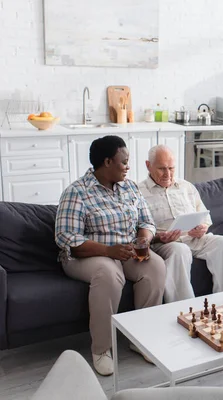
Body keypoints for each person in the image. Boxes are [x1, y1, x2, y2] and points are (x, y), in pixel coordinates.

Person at [55, 135, 166, 376]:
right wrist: (108, 251)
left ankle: (141, 340)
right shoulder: (77, 192)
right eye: (123, 162)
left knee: (155, 266)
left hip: (125, 252)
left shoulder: (130, 187)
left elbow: (146, 221)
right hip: (84, 257)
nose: (128, 167)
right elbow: (68, 239)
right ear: (107, 162)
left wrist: (144, 239)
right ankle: (102, 349)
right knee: (109, 273)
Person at [139, 145, 223, 301]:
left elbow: (204, 216)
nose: (167, 174)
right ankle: (184, 309)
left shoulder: (186, 187)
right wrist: (159, 237)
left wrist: (202, 227)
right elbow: (138, 229)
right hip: (166, 244)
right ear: (148, 165)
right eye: (162, 168)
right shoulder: (138, 192)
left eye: (171, 168)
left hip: (195, 239)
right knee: (180, 250)